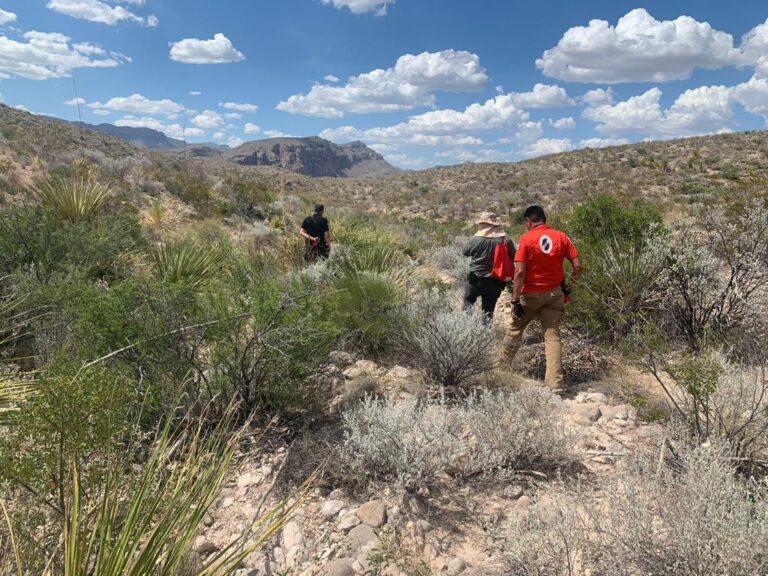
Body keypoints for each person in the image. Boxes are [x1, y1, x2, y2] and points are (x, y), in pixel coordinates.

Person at [502, 205, 583, 391]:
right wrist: (569, 287)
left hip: (530, 295)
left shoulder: (526, 239)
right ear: (545, 219)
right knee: (552, 336)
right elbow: (578, 266)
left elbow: (520, 271)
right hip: (555, 294)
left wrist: (515, 299)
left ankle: (501, 368)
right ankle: (555, 383)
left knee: (515, 329)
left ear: (528, 222)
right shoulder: (561, 237)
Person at [462, 211, 515, 322]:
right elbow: (513, 256)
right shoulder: (505, 239)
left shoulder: (475, 239)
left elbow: (465, 252)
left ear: (482, 224)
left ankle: (467, 327)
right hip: (495, 280)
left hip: (475, 279)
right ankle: (486, 333)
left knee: (468, 302)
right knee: (488, 309)